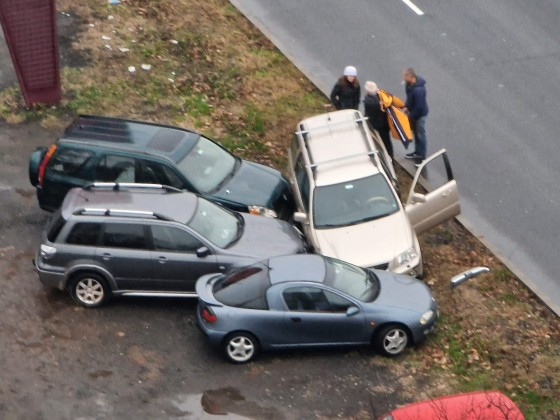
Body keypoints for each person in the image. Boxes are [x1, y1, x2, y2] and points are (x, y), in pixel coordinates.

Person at [402, 67, 429, 161]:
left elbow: (419, 107)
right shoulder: (409, 84)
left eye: (405, 76)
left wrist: (410, 117)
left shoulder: (419, 90)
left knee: (420, 134)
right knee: (416, 134)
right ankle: (417, 152)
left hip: (420, 115)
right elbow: (409, 98)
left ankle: (421, 155)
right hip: (414, 112)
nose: (403, 78)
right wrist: (406, 106)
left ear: (410, 76)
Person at [363, 81, 393, 160]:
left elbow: (368, 113)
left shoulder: (368, 100)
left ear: (368, 91)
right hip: (385, 123)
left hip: (376, 124)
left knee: (377, 142)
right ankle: (391, 159)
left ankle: (384, 159)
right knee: (387, 143)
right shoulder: (382, 95)